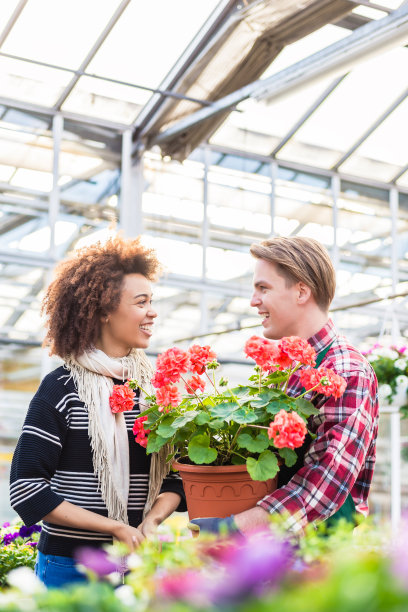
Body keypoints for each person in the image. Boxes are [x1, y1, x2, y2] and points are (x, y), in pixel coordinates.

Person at [10, 236, 185, 588]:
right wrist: (113, 528)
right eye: (141, 302)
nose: (153, 312)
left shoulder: (153, 391)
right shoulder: (61, 388)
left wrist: (151, 520)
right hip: (70, 567)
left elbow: (177, 475)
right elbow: (26, 487)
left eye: (152, 301)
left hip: (138, 564)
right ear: (104, 310)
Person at [189, 236, 378, 534]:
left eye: (263, 288)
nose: (253, 301)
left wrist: (233, 527)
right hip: (271, 552)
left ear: (302, 291)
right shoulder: (287, 368)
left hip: (314, 559)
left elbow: (326, 482)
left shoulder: (345, 369)